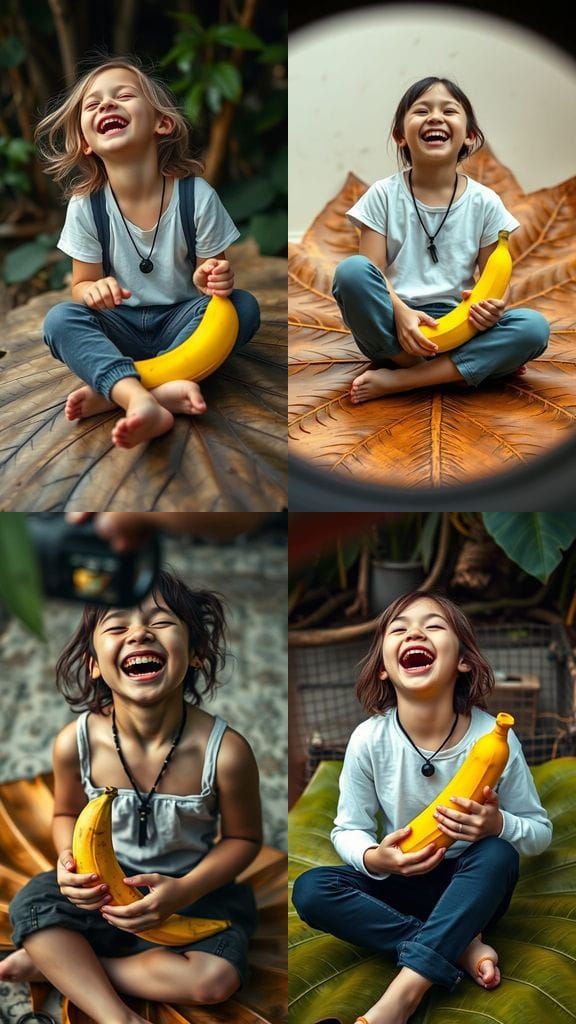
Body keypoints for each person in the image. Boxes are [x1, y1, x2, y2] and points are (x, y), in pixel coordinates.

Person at [1, 571, 262, 1024]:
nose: (139, 633)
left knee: (214, 981)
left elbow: (243, 839)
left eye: (161, 622)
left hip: (190, 888)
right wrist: (69, 861)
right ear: (94, 664)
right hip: (99, 889)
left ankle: (70, 967)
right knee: (34, 904)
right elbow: (66, 811)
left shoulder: (226, 752)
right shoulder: (75, 742)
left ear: (196, 652)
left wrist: (183, 891)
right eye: (117, 626)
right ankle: (116, 1016)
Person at [292, 591, 552, 1024]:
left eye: (433, 625)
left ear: (464, 662)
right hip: (401, 883)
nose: (415, 631)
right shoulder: (369, 740)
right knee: (312, 890)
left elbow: (539, 831)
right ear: (383, 668)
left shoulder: (494, 740)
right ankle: (461, 946)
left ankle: (398, 1001)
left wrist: (497, 824)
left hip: (471, 887)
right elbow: (347, 829)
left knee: (498, 853)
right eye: (399, 628)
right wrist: (377, 857)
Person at [34, 54, 260, 449]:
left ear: (162, 123)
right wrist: (93, 292)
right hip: (118, 325)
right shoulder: (86, 206)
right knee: (59, 320)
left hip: (182, 322)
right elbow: (80, 287)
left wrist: (212, 277)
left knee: (241, 308)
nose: (106, 104)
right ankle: (150, 397)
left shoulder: (197, 197)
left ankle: (118, 392)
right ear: (87, 143)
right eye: (93, 104)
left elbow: (215, 279)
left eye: (123, 95)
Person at [331, 77, 550, 404]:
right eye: (421, 111)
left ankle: (407, 379)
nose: (435, 117)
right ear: (400, 136)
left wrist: (491, 310)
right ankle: (456, 371)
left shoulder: (485, 202)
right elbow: (371, 270)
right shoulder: (382, 195)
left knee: (533, 327)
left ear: (470, 136)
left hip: (459, 323)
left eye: (449, 110)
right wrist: (402, 312)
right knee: (351, 272)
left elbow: (496, 280)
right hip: (393, 325)